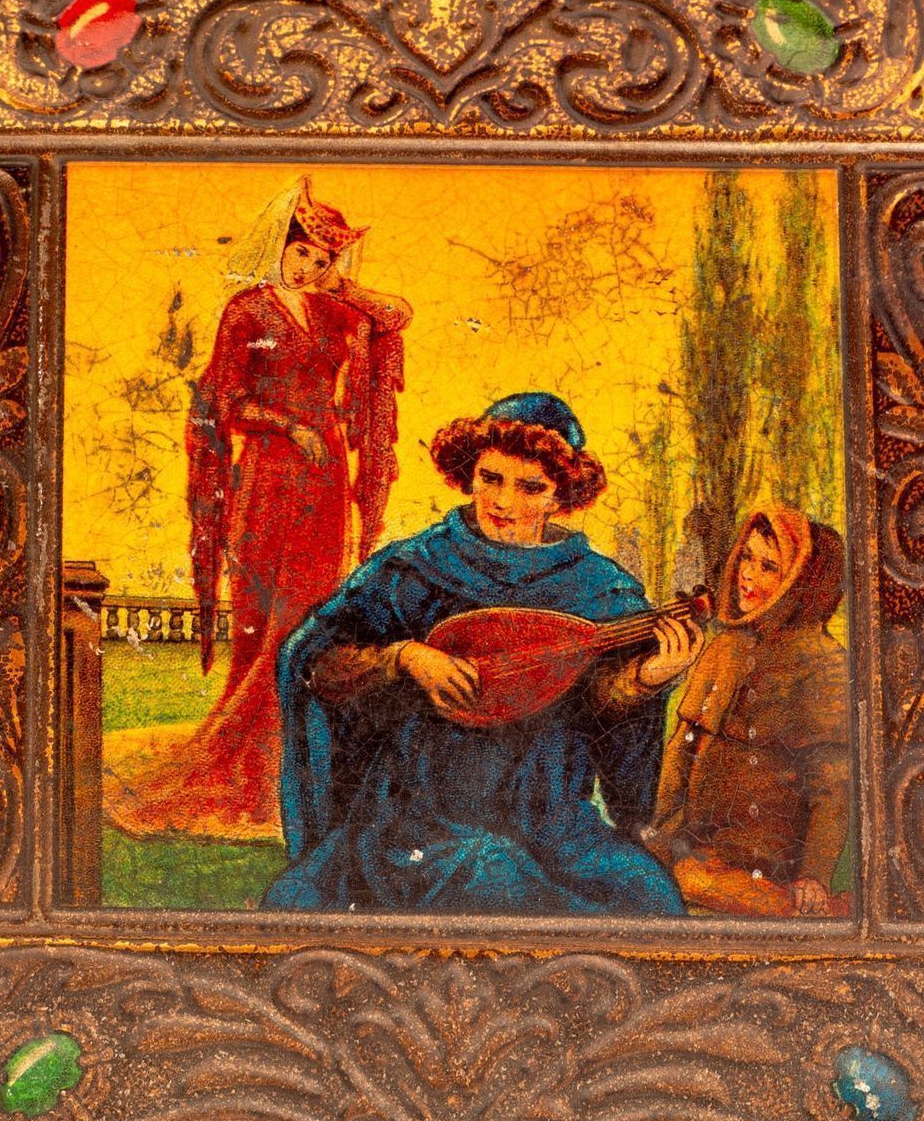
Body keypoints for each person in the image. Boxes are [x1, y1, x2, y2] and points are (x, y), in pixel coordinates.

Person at [263, 392, 700, 915]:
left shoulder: (600, 590)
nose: (503, 502)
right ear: (468, 474)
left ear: (559, 496)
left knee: (648, 894)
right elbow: (313, 660)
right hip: (421, 817)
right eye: (490, 479)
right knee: (495, 875)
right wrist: (403, 658)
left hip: (552, 818)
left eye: (530, 487)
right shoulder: (414, 569)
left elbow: (599, 708)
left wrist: (646, 680)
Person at [105, 179, 409, 839]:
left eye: (322, 259)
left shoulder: (334, 313)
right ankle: (249, 764)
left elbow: (397, 316)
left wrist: (344, 288)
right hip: (267, 476)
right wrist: (286, 425)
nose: (308, 268)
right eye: (302, 253)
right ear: (282, 246)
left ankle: (294, 760)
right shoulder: (247, 311)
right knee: (260, 616)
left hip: (325, 478)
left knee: (309, 608)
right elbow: (226, 401)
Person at [645, 502, 851, 917]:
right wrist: (659, 836)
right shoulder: (724, 647)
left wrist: (814, 875)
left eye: (769, 567)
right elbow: (681, 753)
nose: (748, 575)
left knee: (694, 883)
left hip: (768, 861)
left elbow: (831, 786)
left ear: (800, 582)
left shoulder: (824, 663)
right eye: (746, 558)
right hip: (696, 848)